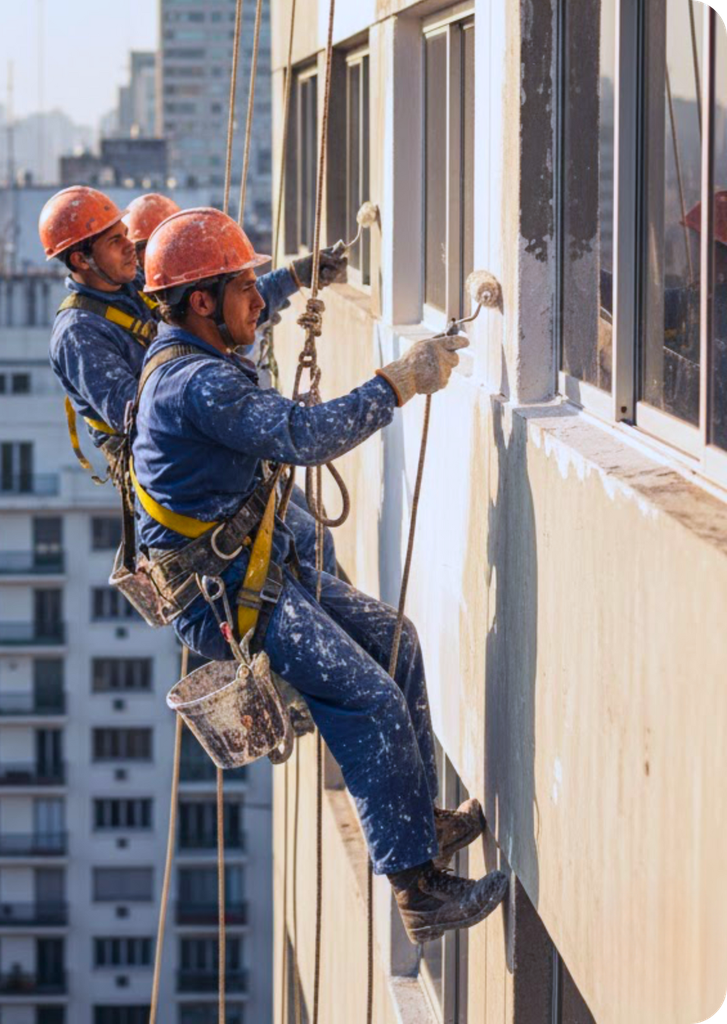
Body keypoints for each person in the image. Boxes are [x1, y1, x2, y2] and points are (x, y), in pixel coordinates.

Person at [130, 207, 508, 942]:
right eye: (243, 288)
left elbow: (259, 329)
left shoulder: (191, 349)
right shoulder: (198, 384)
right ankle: (418, 893)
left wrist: (295, 279)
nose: (256, 301)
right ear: (202, 301)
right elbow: (305, 437)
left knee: (395, 641)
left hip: (250, 568)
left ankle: (416, 820)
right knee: (369, 699)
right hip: (227, 594)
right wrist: (398, 382)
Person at [39, 185, 348, 574]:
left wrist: (294, 276)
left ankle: (321, 598)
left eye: (125, 234)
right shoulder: (79, 334)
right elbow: (144, 414)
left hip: (209, 435)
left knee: (308, 529)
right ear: (81, 259)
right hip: (179, 473)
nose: (130, 247)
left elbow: (221, 306)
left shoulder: (135, 287)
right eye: (116, 241)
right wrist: (229, 403)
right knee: (305, 540)